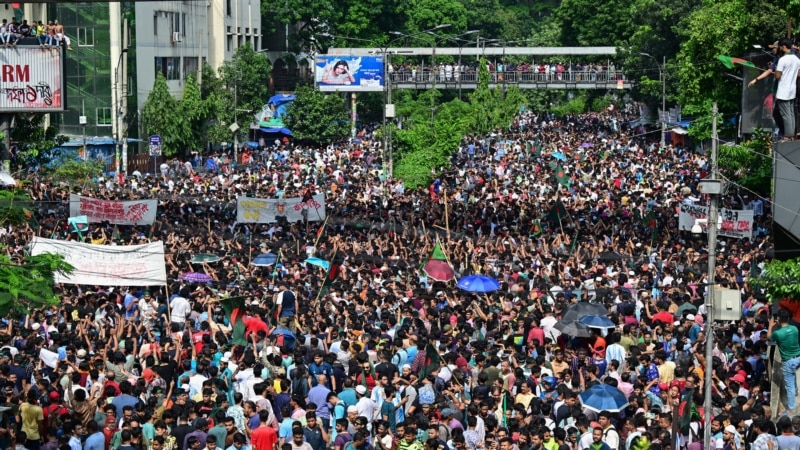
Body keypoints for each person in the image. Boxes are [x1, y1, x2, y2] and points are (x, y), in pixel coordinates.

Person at [769, 308, 800, 412]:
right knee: (793, 372)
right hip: (798, 357)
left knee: (789, 385)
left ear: (778, 319)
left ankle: (791, 408)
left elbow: (769, 337)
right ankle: (796, 390)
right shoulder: (795, 329)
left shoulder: (778, 333)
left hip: (788, 361)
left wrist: (771, 325)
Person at [774, 38, 800, 139]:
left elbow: (777, 76)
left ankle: (788, 135)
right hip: (792, 90)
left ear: (784, 47)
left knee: (785, 115)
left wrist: (775, 70)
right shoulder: (797, 60)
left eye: (780, 46)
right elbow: (798, 74)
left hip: (783, 91)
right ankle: (792, 134)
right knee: (791, 113)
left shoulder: (782, 60)